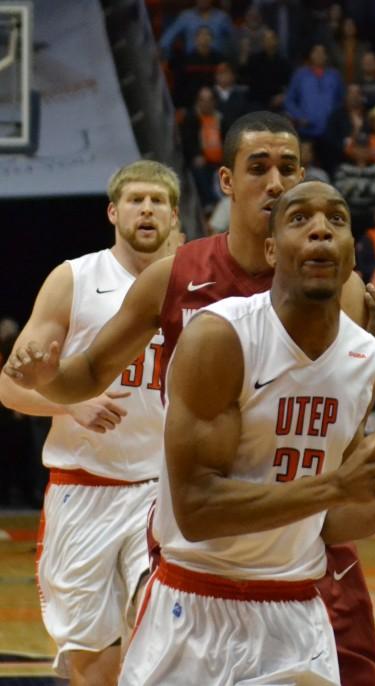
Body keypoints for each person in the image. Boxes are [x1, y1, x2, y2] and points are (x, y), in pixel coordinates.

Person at [2, 112, 375, 686]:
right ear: (228, 181)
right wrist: (49, 384)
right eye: (260, 168)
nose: (277, 183)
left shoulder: (340, 287)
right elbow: (84, 374)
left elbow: (343, 426)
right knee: (96, 649)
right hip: (198, 522)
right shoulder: (176, 275)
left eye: (288, 169)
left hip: (301, 542)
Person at [118, 180, 375, 684]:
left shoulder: (364, 357)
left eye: (337, 220)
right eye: (300, 219)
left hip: (296, 616)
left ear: (352, 253)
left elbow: (324, 522)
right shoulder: (221, 337)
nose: (321, 231)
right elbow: (196, 510)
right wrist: (337, 487)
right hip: (194, 606)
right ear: (270, 250)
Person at [0, 161, 181, 685]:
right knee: (92, 663)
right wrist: (69, 404)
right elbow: (10, 386)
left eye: (157, 201)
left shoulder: (197, 288)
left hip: (161, 491)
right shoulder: (74, 279)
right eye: (135, 200)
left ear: (173, 215)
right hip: (84, 490)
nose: (146, 209)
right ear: (113, 211)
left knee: (166, 638)